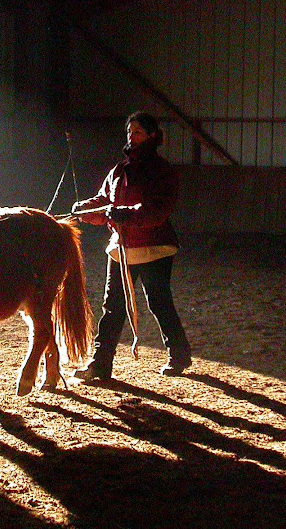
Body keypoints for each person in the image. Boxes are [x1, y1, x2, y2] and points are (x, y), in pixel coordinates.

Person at [72, 111, 191, 379]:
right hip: (121, 247)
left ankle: (179, 355)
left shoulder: (162, 172)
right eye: (129, 132)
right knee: (112, 306)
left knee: (159, 302)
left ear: (151, 136)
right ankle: (101, 364)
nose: (132, 137)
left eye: (137, 132)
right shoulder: (118, 170)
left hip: (153, 247)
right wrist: (86, 209)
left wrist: (124, 214)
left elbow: (156, 210)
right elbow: (105, 200)